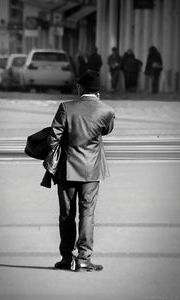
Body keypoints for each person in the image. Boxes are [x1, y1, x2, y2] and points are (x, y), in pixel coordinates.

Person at [45, 69, 115, 272]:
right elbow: (106, 130)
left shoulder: (66, 107)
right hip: (92, 170)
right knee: (88, 213)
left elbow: (52, 139)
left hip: (67, 169)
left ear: (79, 87)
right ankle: (84, 258)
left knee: (66, 214)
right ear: (98, 91)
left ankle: (66, 258)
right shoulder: (106, 110)